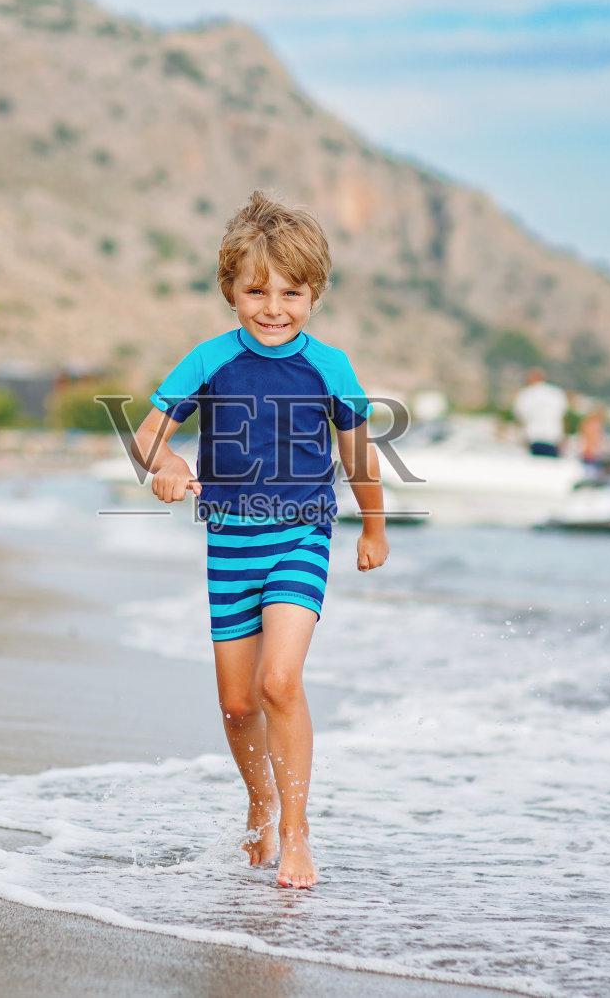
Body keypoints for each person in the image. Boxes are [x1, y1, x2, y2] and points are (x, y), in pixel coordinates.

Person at [128, 191, 389, 889]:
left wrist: (373, 524)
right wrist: (168, 465)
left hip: (301, 536)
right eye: (256, 291)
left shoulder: (328, 366)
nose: (273, 307)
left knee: (280, 681)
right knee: (238, 703)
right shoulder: (209, 360)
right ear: (230, 290)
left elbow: (359, 455)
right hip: (230, 545)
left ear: (315, 293)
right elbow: (147, 438)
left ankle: (298, 834)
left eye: (291, 293)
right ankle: (259, 801)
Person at [511, 368, 568, 457]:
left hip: (533, 438)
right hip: (553, 438)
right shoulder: (556, 393)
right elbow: (563, 417)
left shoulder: (525, 394)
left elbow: (519, 419)